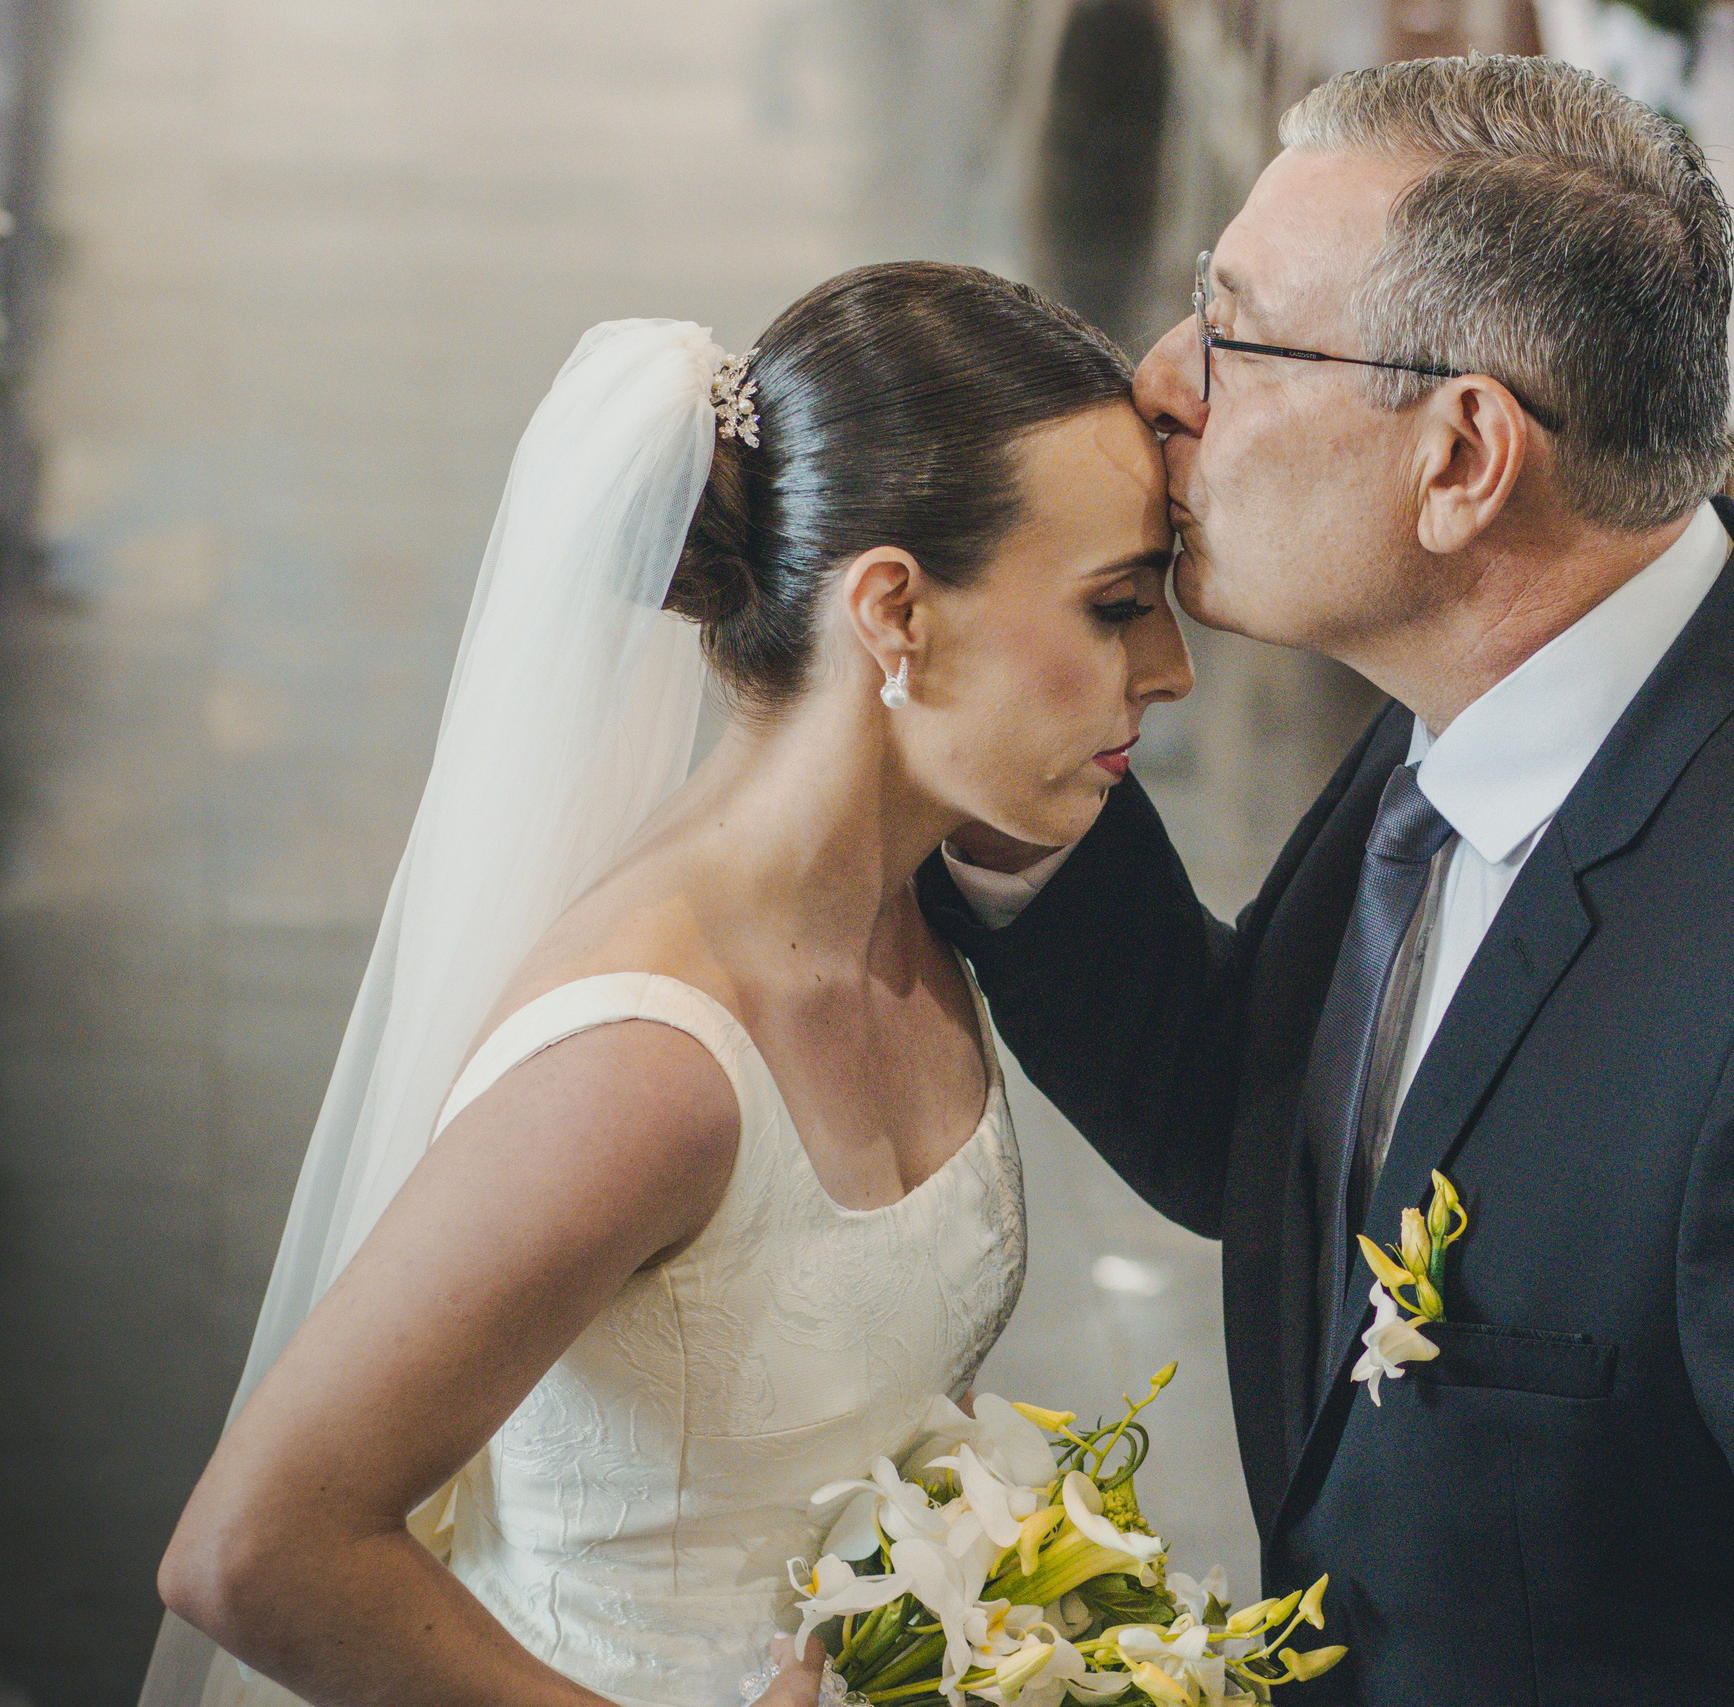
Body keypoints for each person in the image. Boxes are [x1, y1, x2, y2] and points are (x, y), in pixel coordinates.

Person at [925, 54, 1734, 1705]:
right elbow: (1291, 1126)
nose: (1161, 383)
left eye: (1237, 335)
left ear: (1462, 460)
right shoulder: (1515, 682)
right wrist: (998, 766)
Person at [147, 265, 1191, 1707]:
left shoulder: (921, 911)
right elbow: (254, 1554)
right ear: (895, 611)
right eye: (1118, 604)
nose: (1174, 668)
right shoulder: (643, 1067)